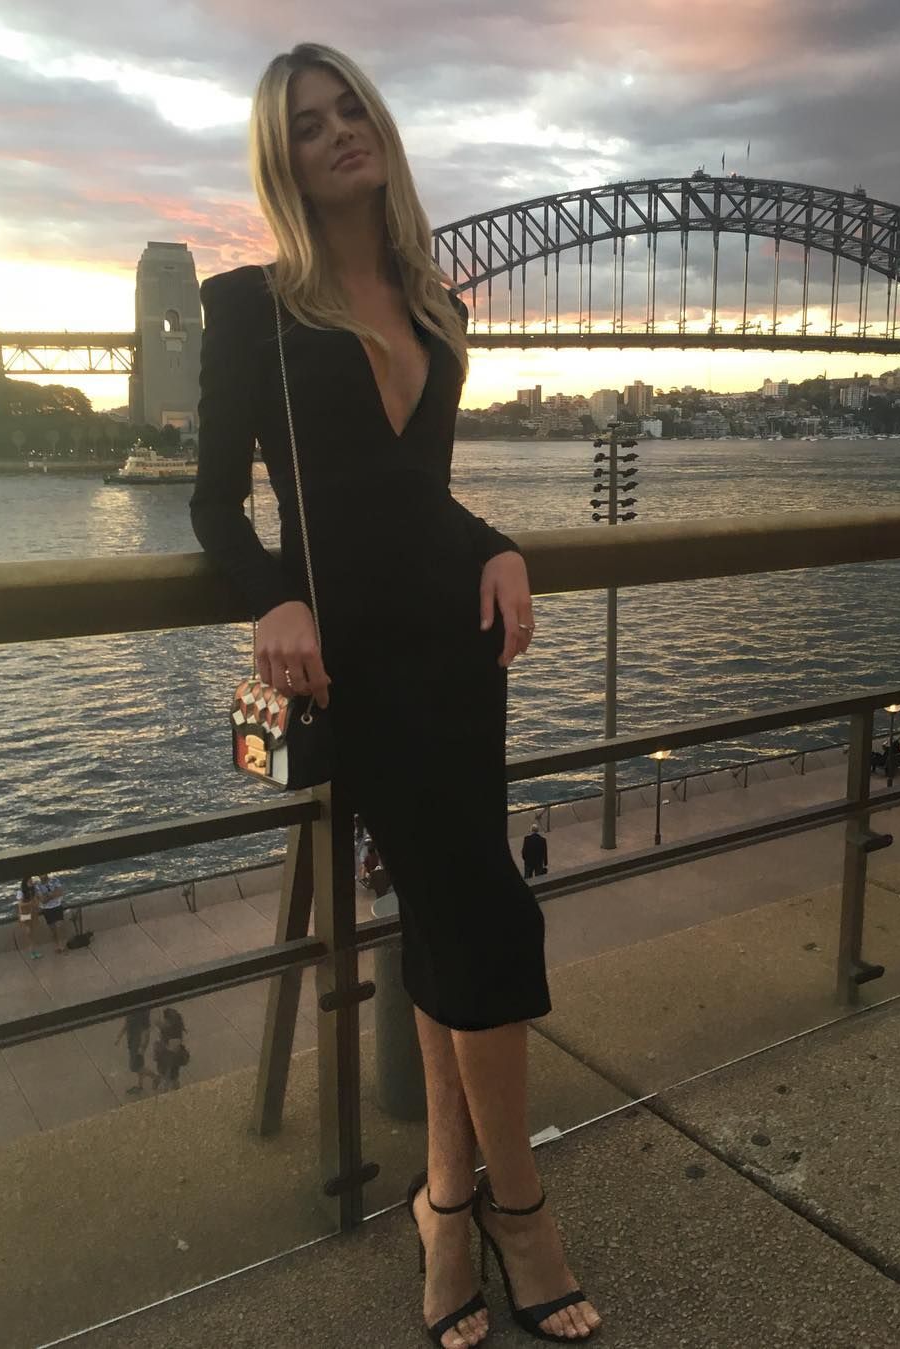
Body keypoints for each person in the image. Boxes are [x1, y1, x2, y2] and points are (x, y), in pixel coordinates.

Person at [190, 45, 599, 1347]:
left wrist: (499, 544)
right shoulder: (252, 308)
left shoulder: (433, 305)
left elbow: (418, 500)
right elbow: (215, 505)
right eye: (309, 126)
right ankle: (520, 1209)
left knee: (445, 915)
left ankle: (444, 1202)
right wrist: (271, 596)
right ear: (285, 161)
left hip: (456, 653)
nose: (339, 132)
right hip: (355, 666)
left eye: (351, 108)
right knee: (488, 913)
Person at [115, 1007, 158, 1095]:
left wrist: (142, 1048)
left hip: (137, 1043)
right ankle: (140, 1086)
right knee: (139, 1065)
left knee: (135, 1067)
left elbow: (146, 1032)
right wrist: (119, 1036)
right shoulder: (131, 1012)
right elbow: (127, 1023)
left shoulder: (142, 1013)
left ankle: (155, 1077)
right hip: (132, 1041)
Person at [153, 1007, 188, 1091]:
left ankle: (173, 1090)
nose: (163, 1021)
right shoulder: (168, 1028)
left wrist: (160, 1046)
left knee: (171, 1078)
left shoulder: (175, 1034)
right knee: (170, 1077)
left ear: (170, 1022)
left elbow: (172, 1051)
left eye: (165, 1019)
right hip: (166, 1058)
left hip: (170, 1060)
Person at [37, 873, 68, 954]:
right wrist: (53, 894)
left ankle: (62, 945)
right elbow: (43, 900)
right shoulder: (38, 886)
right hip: (47, 909)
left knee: (59, 926)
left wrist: (47, 895)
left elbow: (60, 893)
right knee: (53, 929)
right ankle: (58, 946)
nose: (41, 876)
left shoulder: (55, 880)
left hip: (57, 906)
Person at [16, 876, 41, 959]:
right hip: (25, 912)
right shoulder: (21, 892)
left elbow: (37, 900)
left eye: (31, 881)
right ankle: (31, 951)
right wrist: (30, 903)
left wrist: (37, 904)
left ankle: (34, 950)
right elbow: (20, 904)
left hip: (33, 912)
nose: (31, 883)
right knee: (28, 932)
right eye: (29, 881)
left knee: (33, 932)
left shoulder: (34, 890)